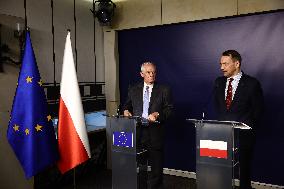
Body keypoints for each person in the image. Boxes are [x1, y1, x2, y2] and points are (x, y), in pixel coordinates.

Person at [214, 50, 264, 189]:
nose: (221, 67)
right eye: (220, 64)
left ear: (236, 64)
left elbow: (258, 110)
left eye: (225, 64)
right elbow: (217, 106)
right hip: (222, 134)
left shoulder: (252, 83)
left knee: (244, 170)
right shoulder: (218, 82)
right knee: (221, 167)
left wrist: (247, 126)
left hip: (244, 136)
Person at [123, 61, 173, 189]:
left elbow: (169, 110)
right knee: (140, 167)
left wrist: (157, 114)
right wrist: (125, 110)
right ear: (141, 74)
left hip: (155, 133)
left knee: (156, 167)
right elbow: (127, 105)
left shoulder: (164, 90)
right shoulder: (133, 89)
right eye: (149, 72)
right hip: (139, 132)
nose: (152, 75)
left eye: (154, 72)